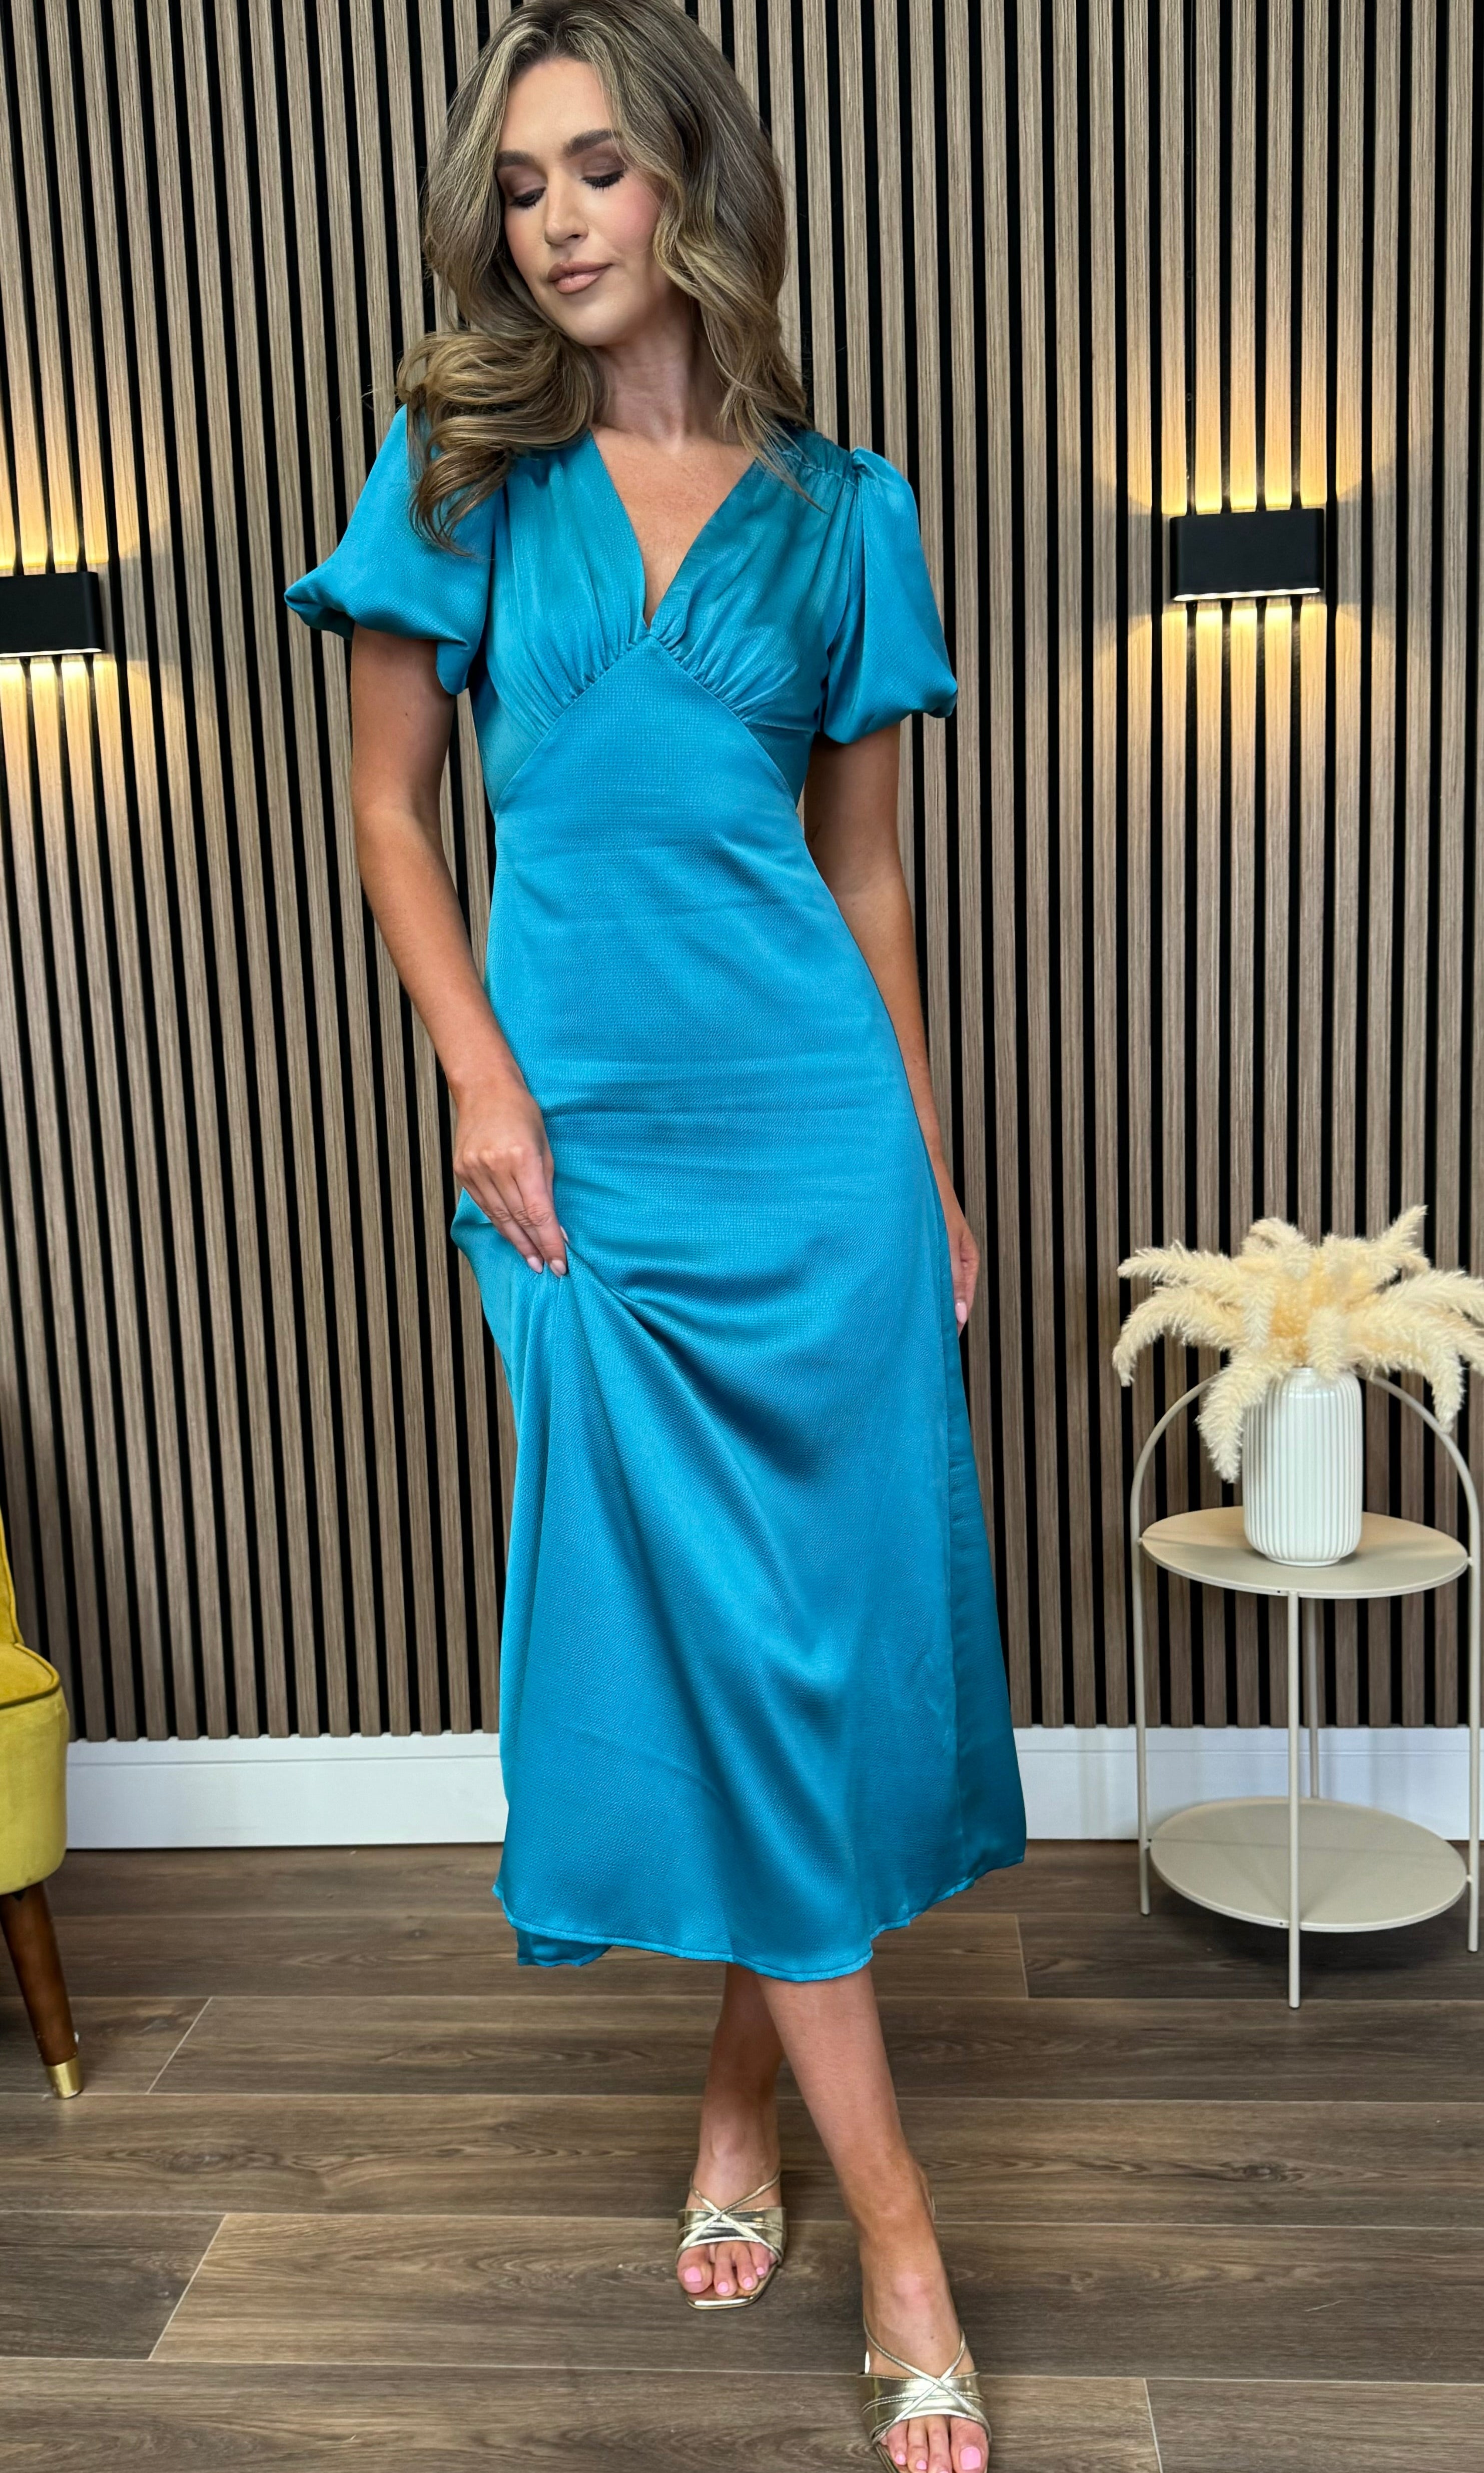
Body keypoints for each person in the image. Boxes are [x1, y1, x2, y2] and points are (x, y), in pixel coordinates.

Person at [286, 5, 1025, 2466]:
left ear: (692, 179)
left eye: (598, 167)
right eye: (521, 186)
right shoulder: (461, 473)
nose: (558, 221)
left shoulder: (848, 510)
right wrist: (478, 1078)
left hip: (814, 1144)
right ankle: (898, 2223)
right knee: (709, 1630)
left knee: (794, 1648)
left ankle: (744, 2101)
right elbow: (391, 816)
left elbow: (867, 879)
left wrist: (923, 1164)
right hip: (581, 1161)